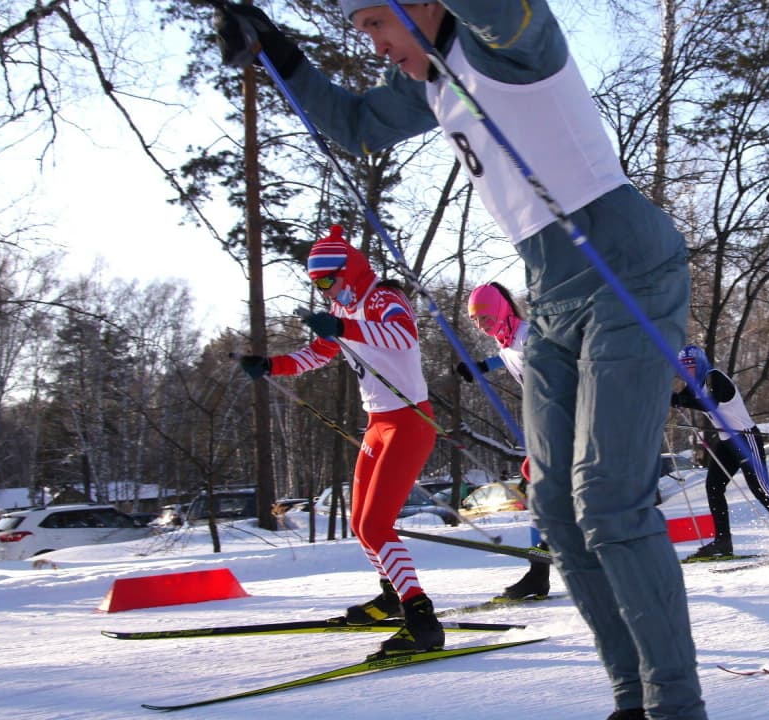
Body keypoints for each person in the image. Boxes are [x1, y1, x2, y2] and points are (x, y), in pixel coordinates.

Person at [215, 4, 706, 718]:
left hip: (625, 266)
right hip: (552, 290)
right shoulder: (428, 80)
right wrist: (277, 48)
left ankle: (676, 707)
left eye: (379, 23)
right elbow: (354, 125)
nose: (377, 45)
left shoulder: (509, 39)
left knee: (606, 496)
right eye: (364, 32)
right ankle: (632, 699)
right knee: (556, 510)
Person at [237, 224, 442, 661]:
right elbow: (317, 353)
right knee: (360, 523)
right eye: (318, 286)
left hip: (410, 421)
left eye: (328, 281)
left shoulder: (383, 297)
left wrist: (344, 325)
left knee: (376, 525)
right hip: (378, 423)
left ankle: (422, 620)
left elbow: (403, 335)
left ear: (348, 270)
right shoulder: (342, 310)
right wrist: (270, 364)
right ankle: (392, 593)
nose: (326, 291)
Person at [455, 282, 550, 601]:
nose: (482, 326)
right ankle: (541, 569)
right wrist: (481, 367)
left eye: (485, 317)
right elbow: (506, 356)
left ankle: (544, 569)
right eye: (476, 321)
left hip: (564, 419)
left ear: (501, 310)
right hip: (545, 424)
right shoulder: (508, 341)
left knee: (545, 492)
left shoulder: (530, 335)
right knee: (541, 493)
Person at [669, 345, 769, 560]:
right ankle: (722, 541)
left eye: (690, 366)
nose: (686, 371)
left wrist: (681, 400)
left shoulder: (713, 378)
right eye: (683, 367)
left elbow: (711, 404)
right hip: (726, 441)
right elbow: (682, 399)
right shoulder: (694, 384)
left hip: (745, 437)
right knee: (714, 487)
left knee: (759, 487)